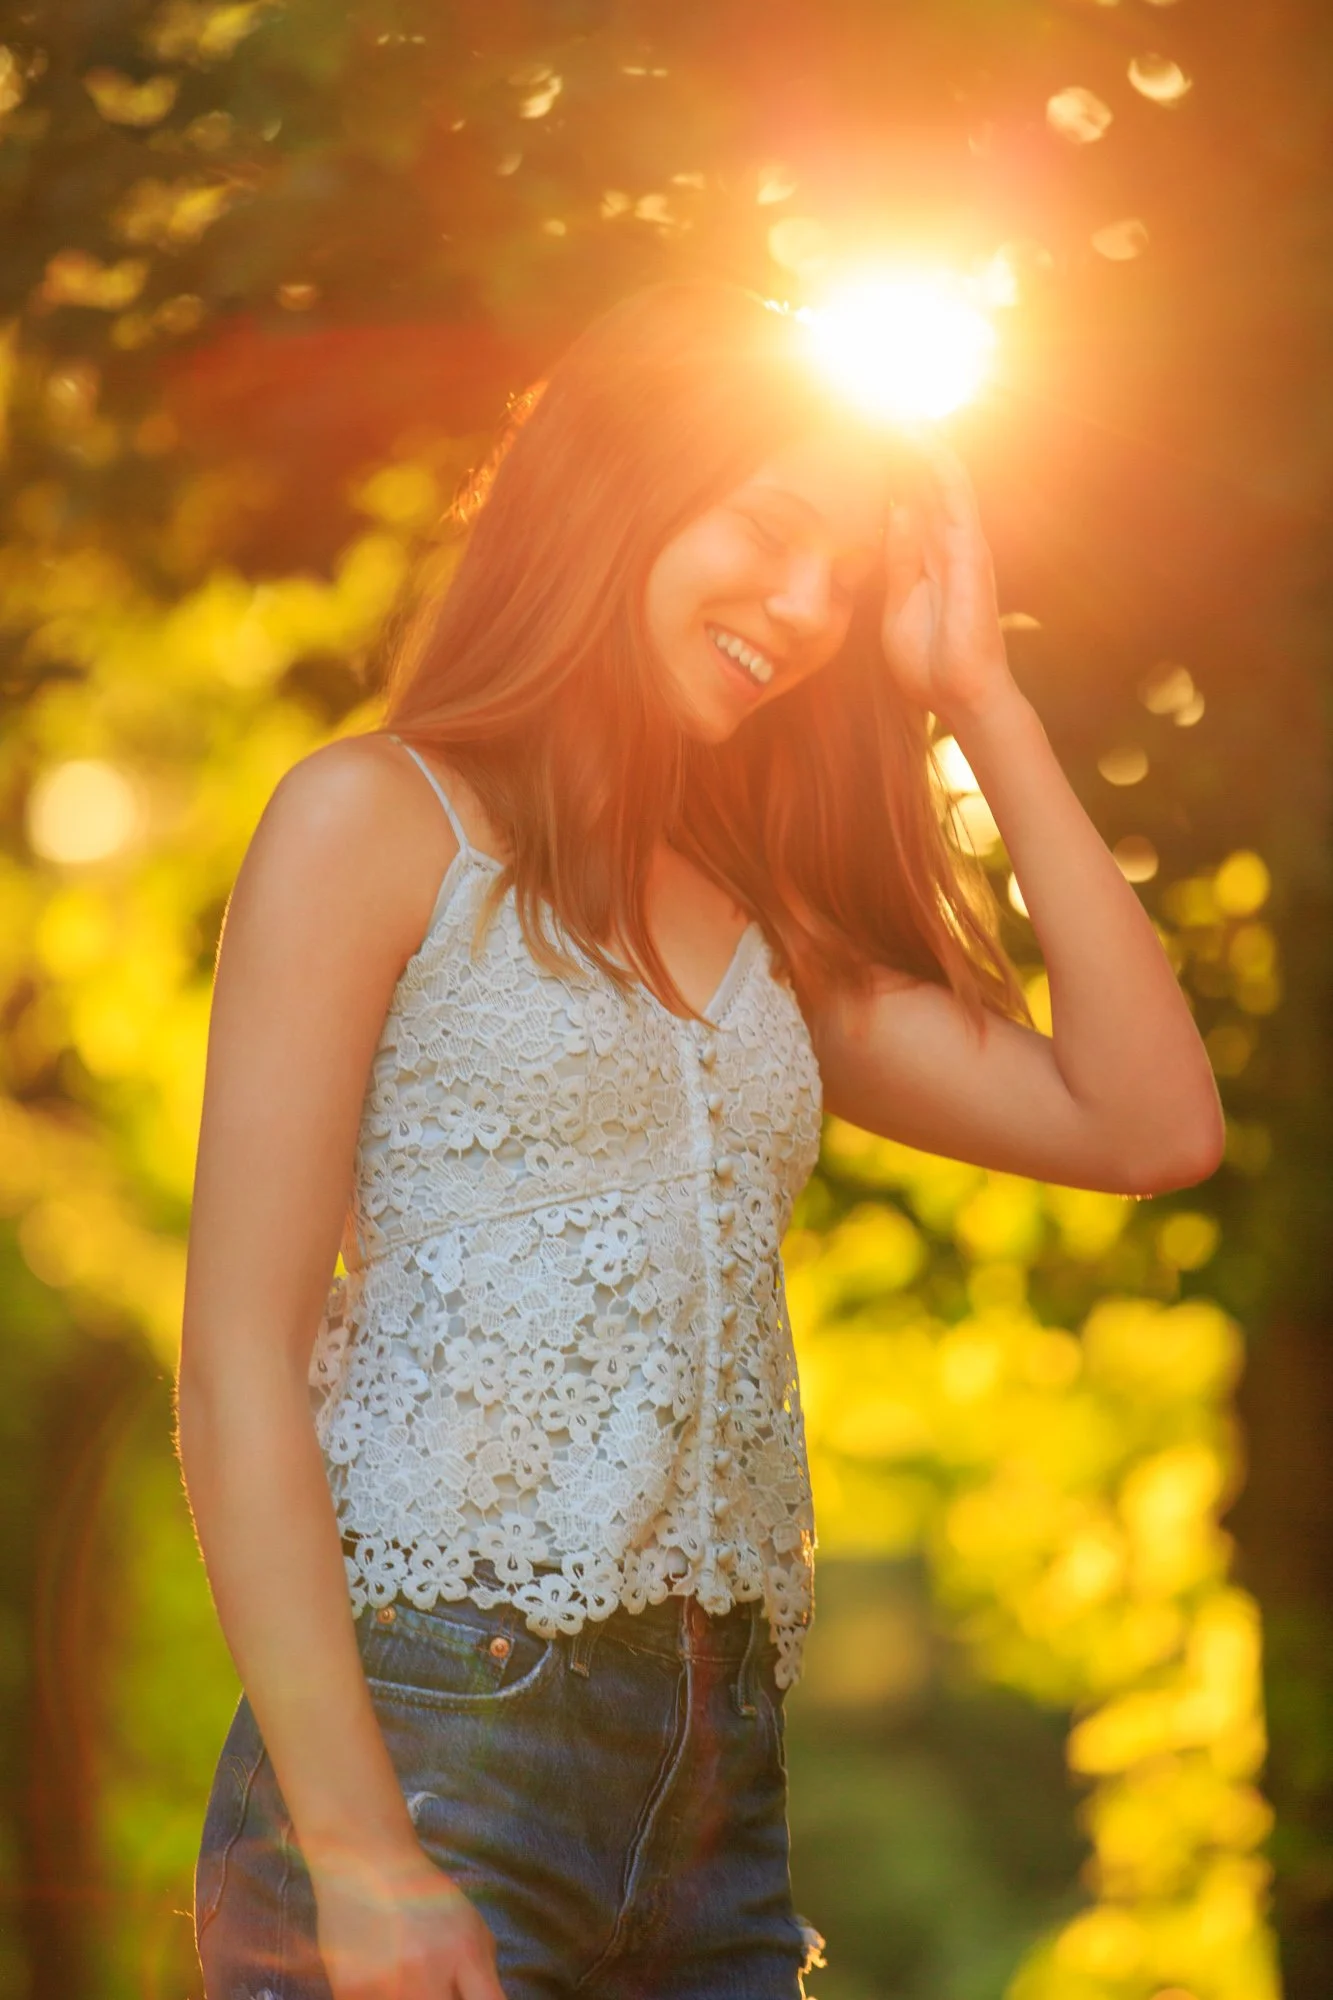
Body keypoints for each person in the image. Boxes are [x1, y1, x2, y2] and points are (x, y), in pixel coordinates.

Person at [176, 279, 1225, 2000]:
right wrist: (359, 1856)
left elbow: (1148, 1120)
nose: (809, 608)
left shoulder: (774, 939)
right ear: (619, 487)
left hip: (718, 1784)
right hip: (437, 1738)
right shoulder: (372, 822)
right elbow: (235, 1366)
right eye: (773, 527)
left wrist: (985, 700)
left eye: (853, 575)